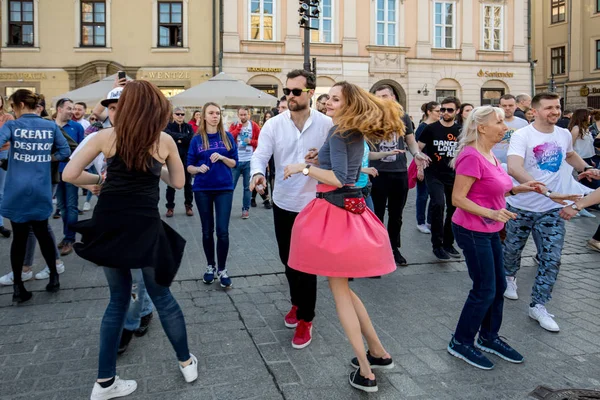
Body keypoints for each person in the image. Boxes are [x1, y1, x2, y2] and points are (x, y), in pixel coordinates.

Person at [62, 80, 198, 399]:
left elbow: (69, 174)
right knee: (162, 296)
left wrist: (99, 182)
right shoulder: (163, 140)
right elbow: (178, 182)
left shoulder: (105, 137)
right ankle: (186, 362)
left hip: (109, 223)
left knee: (117, 301)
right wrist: (157, 169)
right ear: (155, 108)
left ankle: (105, 383)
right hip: (144, 226)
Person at [284, 81, 397, 393]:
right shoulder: (348, 130)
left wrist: (304, 168)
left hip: (335, 216)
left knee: (340, 294)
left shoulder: (339, 131)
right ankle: (378, 353)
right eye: (328, 98)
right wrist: (319, 160)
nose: (328, 102)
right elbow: (345, 167)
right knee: (345, 290)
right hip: (349, 213)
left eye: (335, 99)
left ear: (350, 104)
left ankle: (365, 371)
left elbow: (342, 178)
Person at [448, 106, 540, 370]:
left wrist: (519, 188)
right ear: (481, 127)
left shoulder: (490, 155)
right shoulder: (471, 156)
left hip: (490, 229)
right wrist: (492, 212)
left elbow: (495, 191)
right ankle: (461, 341)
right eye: (499, 122)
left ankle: (488, 337)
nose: (505, 126)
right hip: (471, 230)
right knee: (484, 288)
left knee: (498, 286)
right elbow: (458, 199)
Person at [250, 69, 332, 350]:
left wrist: (320, 159)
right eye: (287, 91)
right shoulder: (274, 124)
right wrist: (257, 174)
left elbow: (336, 163)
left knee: (305, 264)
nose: (290, 96)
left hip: (314, 204)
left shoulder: (326, 124)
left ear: (311, 92)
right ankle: (297, 303)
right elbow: (260, 154)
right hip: (283, 202)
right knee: (288, 259)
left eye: (296, 91)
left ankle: (306, 318)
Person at [503, 92, 596, 332]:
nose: (555, 111)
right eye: (549, 108)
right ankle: (509, 277)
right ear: (534, 111)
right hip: (521, 207)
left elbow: (570, 154)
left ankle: (539, 306)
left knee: (552, 259)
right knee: (512, 250)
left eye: (557, 107)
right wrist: (543, 190)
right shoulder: (522, 135)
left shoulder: (563, 134)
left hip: (553, 210)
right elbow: (514, 167)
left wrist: (586, 168)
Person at [0, 89, 71, 302]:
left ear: (20, 105)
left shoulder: (12, 125)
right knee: (43, 233)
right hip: (40, 188)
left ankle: (19, 288)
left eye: (12, 106)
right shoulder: (49, 126)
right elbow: (65, 151)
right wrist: (47, 158)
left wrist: (9, 160)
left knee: (19, 238)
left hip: (17, 190)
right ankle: (54, 277)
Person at [371, 85, 431, 266]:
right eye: (379, 97)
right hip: (377, 173)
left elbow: (410, 141)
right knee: (377, 214)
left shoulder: (403, 117)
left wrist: (417, 154)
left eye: (386, 96)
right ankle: (377, 250)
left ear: (393, 98)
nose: (383, 99)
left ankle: (393, 248)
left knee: (397, 214)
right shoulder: (370, 116)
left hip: (398, 172)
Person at [188, 102, 237, 289]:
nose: (215, 116)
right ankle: (210, 266)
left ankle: (222, 269)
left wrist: (223, 157)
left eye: (217, 113)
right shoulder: (196, 139)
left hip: (224, 188)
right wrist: (198, 168)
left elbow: (234, 163)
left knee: (222, 231)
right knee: (207, 231)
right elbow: (189, 166)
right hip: (202, 189)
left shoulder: (227, 137)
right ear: (204, 116)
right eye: (211, 113)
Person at [418, 97, 462, 260]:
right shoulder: (431, 129)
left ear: (457, 111)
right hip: (434, 173)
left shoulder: (460, 131)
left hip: (453, 175)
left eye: (450, 110)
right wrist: (420, 163)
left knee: (454, 207)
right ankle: (437, 245)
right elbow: (418, 147)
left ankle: (448, 243)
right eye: (443, 109)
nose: (445, 113)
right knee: (438, 204)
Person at [54, 98, 85, 256]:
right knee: (62, 207)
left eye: (73, 108)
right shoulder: (50, 126)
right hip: (54, 172)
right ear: (59, 109)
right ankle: (67, 235)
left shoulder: (77, 127)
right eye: (69, 108)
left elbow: (82, 150)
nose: (72, 112)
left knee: (71, 206)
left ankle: (69, 238)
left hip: (71, 171)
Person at [229, 107, 261, 219]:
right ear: (238, 115)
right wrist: (238, 129)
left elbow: (260, 142)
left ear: (249, 114)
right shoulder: (234, 125)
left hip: (249, 160)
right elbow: (229, 138)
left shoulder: (254, 126)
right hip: (236, 161)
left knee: (247, 187)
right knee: (230, 186)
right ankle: (226, 208)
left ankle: (245, 209)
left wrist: (251, 142)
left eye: (245, 114)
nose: (243, 117)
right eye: (241, 115)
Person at [414, 101, 440, 234]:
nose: (440, 113)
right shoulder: (422, 127)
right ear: (429, 112)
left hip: (434, 167)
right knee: (422, 195)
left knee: (434, 195)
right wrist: (420, 169)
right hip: (423, 165)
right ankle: (420, 222)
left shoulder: (437, 126)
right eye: (437, 111)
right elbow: (417, 150)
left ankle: (430, 221)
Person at [164, 106, 195, 217]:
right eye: (178, 114)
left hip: (186, 159)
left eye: (182, 114)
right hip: (172, 159)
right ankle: (170, 207)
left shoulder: (188, 126)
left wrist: (179, 139)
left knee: (188, 184)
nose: (180, 116)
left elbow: (191, 138)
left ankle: (188, 206)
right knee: (171, 184)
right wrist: (182, 137)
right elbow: (168, 135)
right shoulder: (169, 126)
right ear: (173, 115)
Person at [492, 94, 529, 164]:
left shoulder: (523, 123)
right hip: (495, 163)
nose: (507, 108)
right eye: (504, 106)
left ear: (516, 106)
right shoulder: (491, 122)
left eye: (511, 105)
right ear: (499, 106)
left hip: (517, 163)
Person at [0, 94, 15, 238]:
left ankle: (0, 224)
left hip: (3, 153)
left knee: (0, 191)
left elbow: (9, 137)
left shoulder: (8, 118)